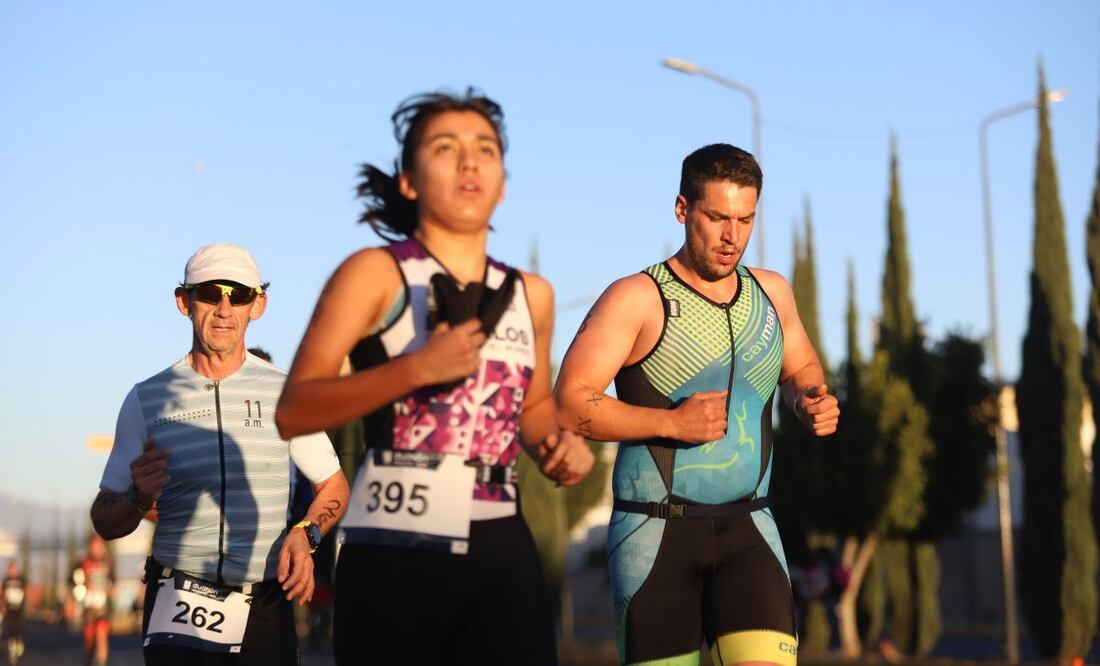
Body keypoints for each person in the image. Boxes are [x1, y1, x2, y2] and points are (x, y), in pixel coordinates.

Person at [276, 89, 595, 665]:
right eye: (446, 148)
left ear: (503, 183)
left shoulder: (534, 296)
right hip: (392, 548)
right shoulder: (374, 273)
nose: (469, 162)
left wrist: (558, 446)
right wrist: (416, 368)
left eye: (486, 150)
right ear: (409, 180)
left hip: (500, 544)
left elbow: (533, 409)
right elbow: (295, 409)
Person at [555, 144, 840, 666]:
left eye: (745, 219)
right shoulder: (636, 298)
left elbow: (801, 369)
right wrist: (671, 423)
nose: (732, 235)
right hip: (655, 533)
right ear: (682, 209)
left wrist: (809, 401)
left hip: (751, 527)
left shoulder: (772, 293)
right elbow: (570, 403)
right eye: (717, 217)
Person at [90, 243, 350, 665]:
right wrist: (137, 498)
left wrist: (306, 533)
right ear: (184, 302)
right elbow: (104, 519)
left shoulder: (285, 392)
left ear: (258, 306)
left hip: (264, 600)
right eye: (211, 293)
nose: (225, 309)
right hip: (177, 600)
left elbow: (334, 487)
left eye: (240, 295)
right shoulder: (147, 399)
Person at [72, 535, 114, 666]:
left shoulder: (108, 563)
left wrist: (111, 590)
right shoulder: (82, 563)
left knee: (102, 634)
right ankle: (89, 658)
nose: (97, 549)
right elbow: (74, 582)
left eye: (99, 546)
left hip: (102, 607)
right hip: (88, 607)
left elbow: (114, 582)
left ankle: (101, 662)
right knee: (89, 637)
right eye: (94, 546)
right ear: (90, 547)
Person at [1, 561, 25, 666]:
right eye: (11, 569)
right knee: (11, 631)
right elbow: (2, 594)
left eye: (14, 569)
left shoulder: (22, 580)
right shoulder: (6, 581)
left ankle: (17, 646)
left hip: (19, 610)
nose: (13, 571)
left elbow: (26, 591)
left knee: (18, 631)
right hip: (9, 610)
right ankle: (12, 653)